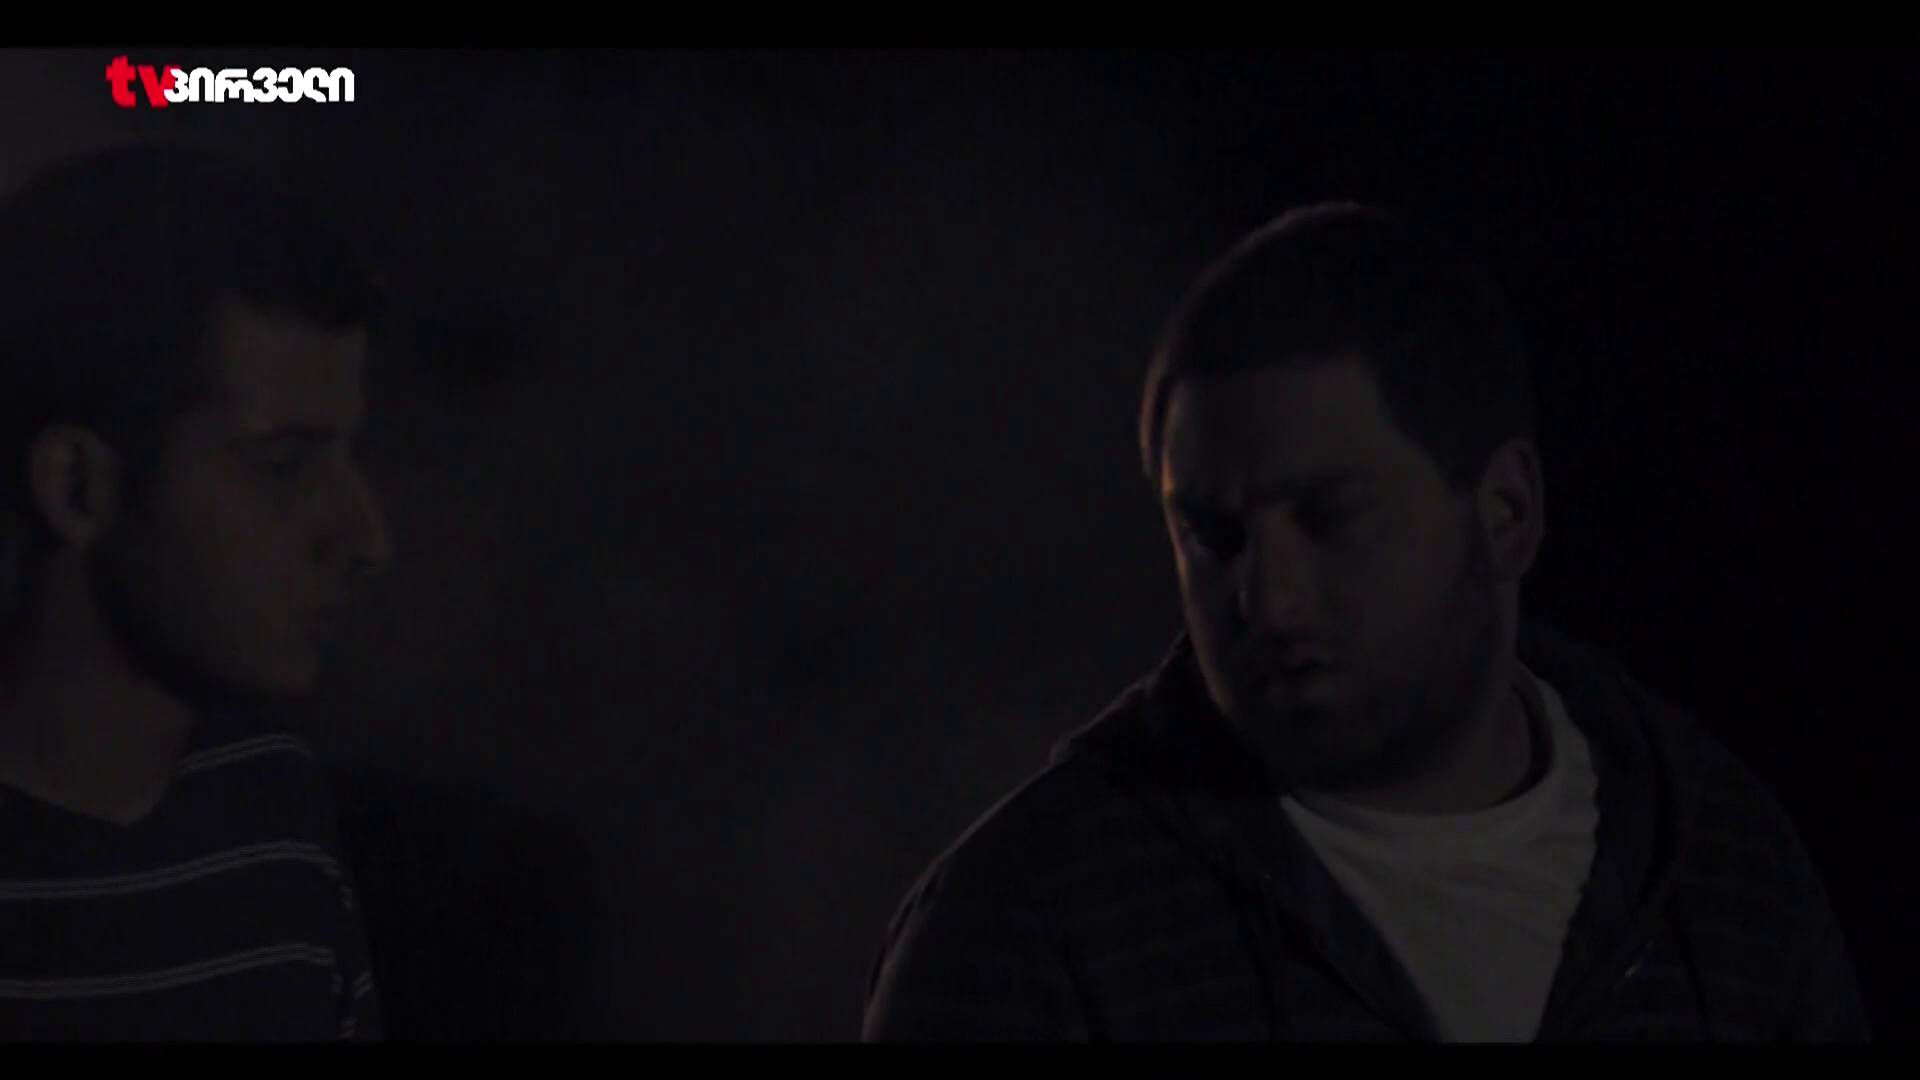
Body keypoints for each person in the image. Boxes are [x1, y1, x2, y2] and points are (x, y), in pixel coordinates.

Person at [861, 203, 1870, 1042]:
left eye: (1330, 517)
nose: (1267, 597)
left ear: (1506, 514)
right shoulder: (1031, 934)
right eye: (1213, 534)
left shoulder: (1720, 873)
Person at [0, 139, 393, 1041]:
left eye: (349, 456)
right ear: (79, 488)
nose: (369, 539)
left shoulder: (271, 803)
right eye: (283, 466)